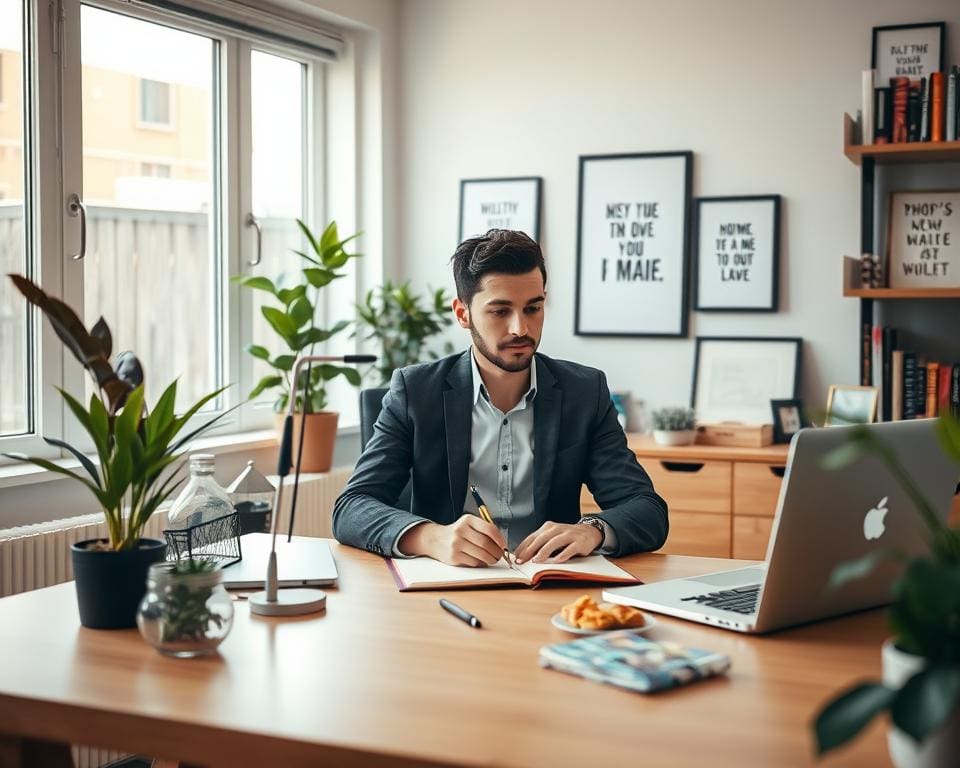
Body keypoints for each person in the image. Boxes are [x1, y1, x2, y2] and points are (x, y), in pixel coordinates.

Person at [332, 229, 668, 566]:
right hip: (445, 587)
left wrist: (592, 529)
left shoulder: (584, 392)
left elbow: (647, 509)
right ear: (463, 314)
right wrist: (430, 536)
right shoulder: (415, 392)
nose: (520, 328)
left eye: (533, 308)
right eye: (500, 311)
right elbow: (351, 507)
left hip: (549, 587)